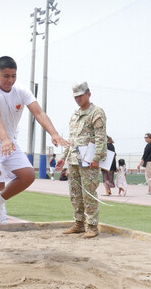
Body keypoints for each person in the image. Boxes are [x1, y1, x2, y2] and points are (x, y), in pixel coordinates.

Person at [0, 56, 69, 224]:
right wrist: (4, 139)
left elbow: (38, 113)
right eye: (6, 76)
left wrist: (53, 133)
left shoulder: (22, 90)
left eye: (13, 76)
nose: (10, 80)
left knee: (28, 175)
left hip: (9, 142)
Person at [58, 81, 107, 238]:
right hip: (74, 159)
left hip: (88, 159)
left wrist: (96, 157)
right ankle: (79, 223)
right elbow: (71, 139)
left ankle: (92, 226)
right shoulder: (75, 115)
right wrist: (63, 157)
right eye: (75, 97)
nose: (78, 99)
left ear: (88, 94)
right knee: (75, 193)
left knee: (88, 193)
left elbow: (100, 137)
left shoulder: (96, 112)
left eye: (80, 96)